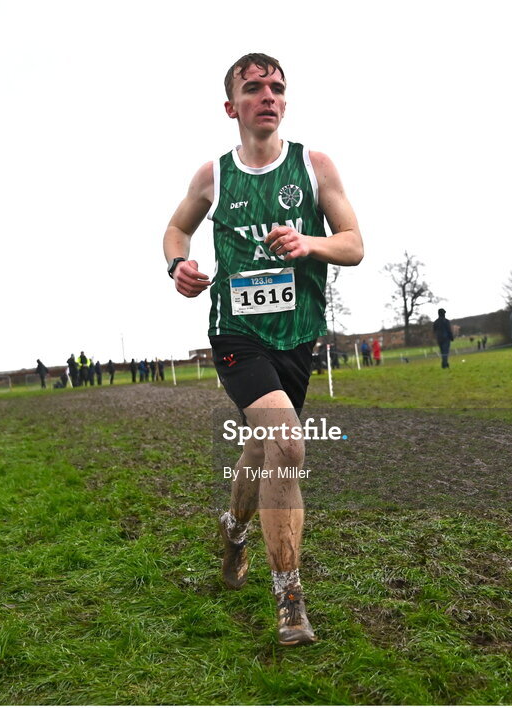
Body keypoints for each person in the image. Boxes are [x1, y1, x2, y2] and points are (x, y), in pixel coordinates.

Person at [162, 52, 363, 645]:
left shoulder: (314, 165)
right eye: (254, 89)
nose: (268, 96)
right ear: (232, 107)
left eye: (277, 88)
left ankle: (234, 532)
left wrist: (310, 244)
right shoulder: (214, 176)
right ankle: (290, 599)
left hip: (297, 335)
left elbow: (353, 244)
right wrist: (179, 265)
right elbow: (176, 229)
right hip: (236, 334)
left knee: (263, 446)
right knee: (286, 442)